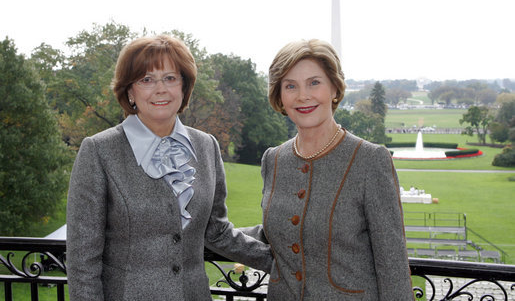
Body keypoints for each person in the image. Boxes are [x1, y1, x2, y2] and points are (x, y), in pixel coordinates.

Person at [66, 34, 272, 301]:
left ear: (184, 87)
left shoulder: (206, 146)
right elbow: (82, 261)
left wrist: (278, 261)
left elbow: (217, 232)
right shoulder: (99, 151)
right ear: (130, 91)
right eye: (146, 80)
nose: (160, 88)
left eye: (170, 78)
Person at [247, 39, 413, 300]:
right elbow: (276, 232)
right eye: (291, 86)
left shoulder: (370, 160)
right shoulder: (273, 160)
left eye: (314, 82)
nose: (303, 95)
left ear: (335, 88)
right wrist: (202, 230)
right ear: (280, 96)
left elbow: (392, 267)